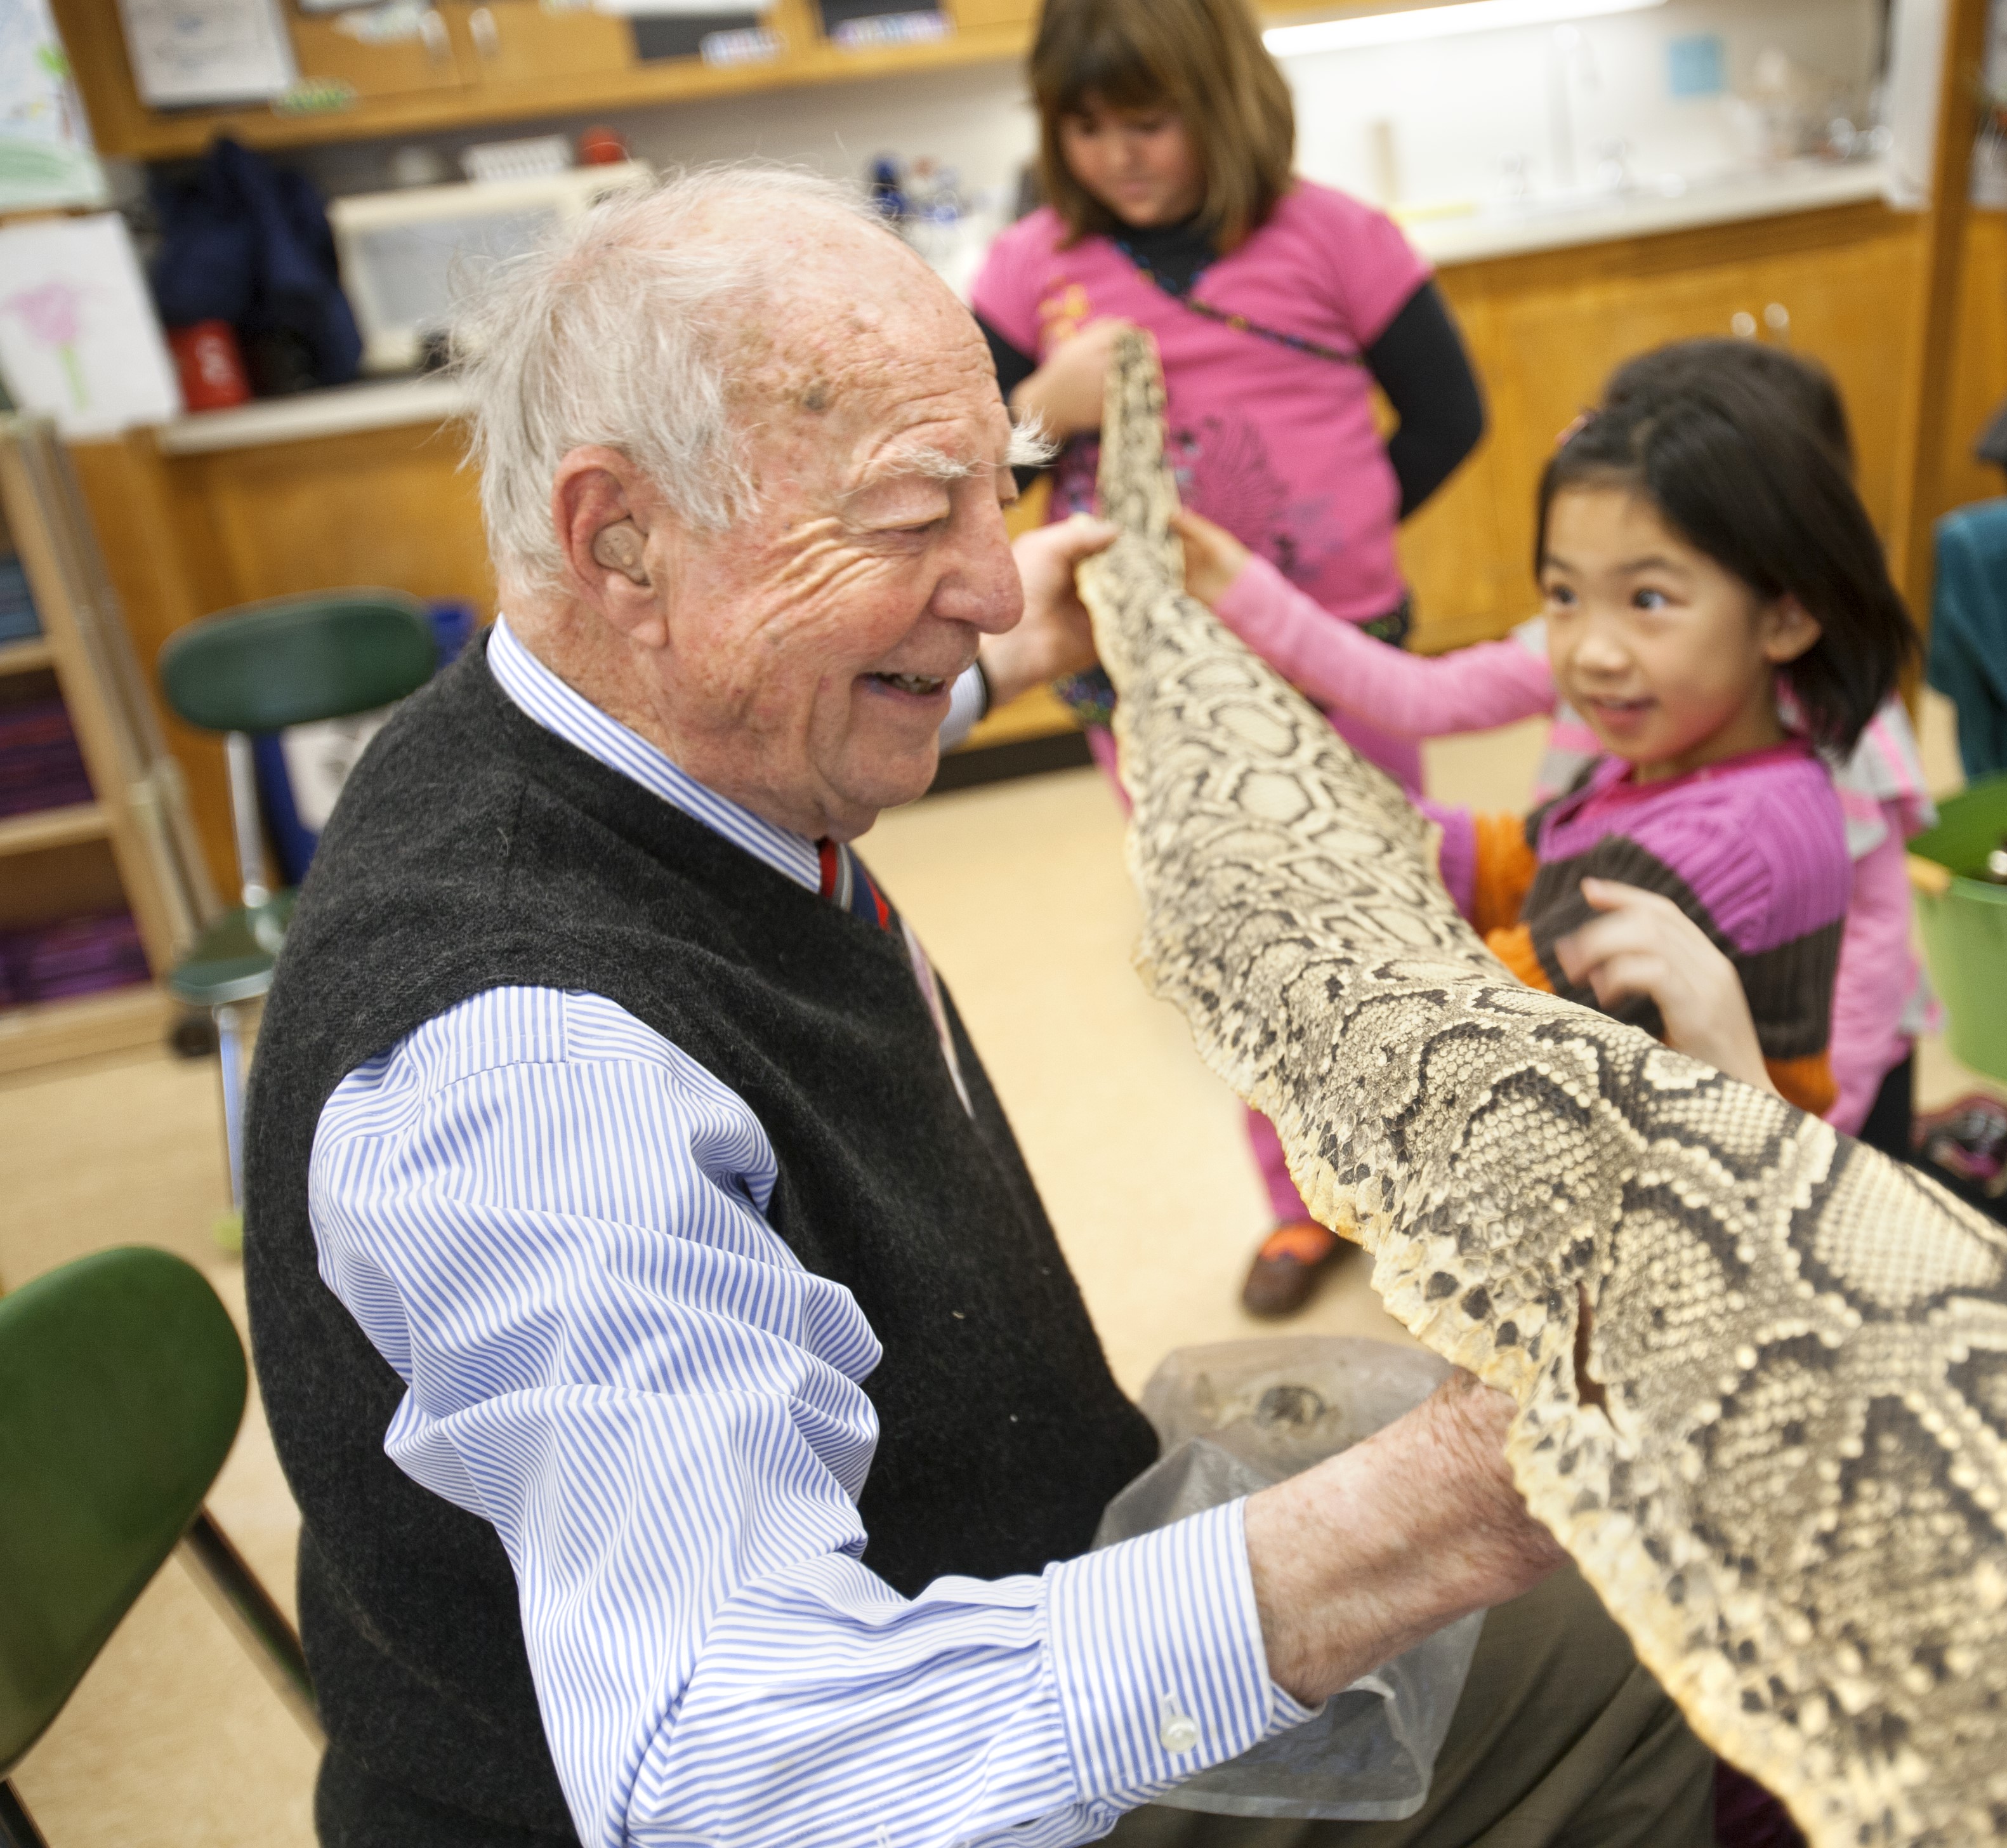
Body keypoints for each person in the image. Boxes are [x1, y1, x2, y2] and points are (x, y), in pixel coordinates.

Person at [237, 166, 1710, 1848]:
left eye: (993, 497)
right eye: (910, 517)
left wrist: (964, 657)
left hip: (963, 1542)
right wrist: (1460, 1507)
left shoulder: (564, 738)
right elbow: (748, 1771)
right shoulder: (524, 1079)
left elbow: (748, 723)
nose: (1000, 586)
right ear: (618, 538)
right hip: (861, 1783)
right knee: (1609, 1631)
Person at [1176, 346, 1911, 1312]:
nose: (1592, 651)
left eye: (1649, 600)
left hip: (1680, 1262)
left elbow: (1467, 1032)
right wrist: (1338, 818)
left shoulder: (1719, 840)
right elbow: (1530, 857)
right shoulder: (1685, 770)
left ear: (1785, 617)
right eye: (1564, 596)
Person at [970, 0, 1485, 1297]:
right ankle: (1305, 1195)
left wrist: (1321, 559)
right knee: (1237, 936)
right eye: (1087, 129)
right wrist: (1042, 408)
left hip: (1340, 651)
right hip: (1146, 682)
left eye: (1150, 121)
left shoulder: (1334, 236)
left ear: (1225, 102)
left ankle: (1444, 1170)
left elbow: (1448, 414)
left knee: (1395, 906)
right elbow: (977, 482)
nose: (1121, 157)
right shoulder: (1032, 266)